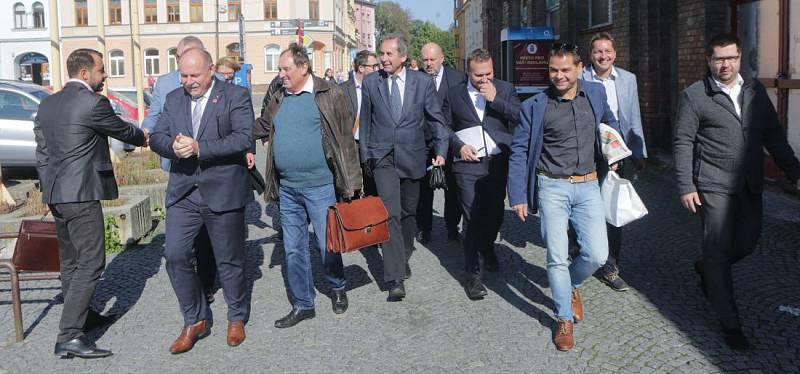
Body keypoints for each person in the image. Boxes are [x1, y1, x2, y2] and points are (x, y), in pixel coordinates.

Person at [673, 33, 800, 350]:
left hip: (749, 184)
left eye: (730, 57)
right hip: (713, 185)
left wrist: (794, 171)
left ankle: (707, 268)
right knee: (718, 250)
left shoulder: (755, 91)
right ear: (708, 60)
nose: (725, 64)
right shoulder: (695, 95)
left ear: (740, 58)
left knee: (746, 243)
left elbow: (773, 136)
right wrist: (687, 185)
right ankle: (730, 323)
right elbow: (683, 141)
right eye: (718, 58)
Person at [34, 48, 146, 359]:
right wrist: (145, 137)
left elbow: (41, 153)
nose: (105, 75)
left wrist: (48, 190)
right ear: (85, 74)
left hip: (57, 194)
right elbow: (122, 130)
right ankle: (69, 335)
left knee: (71, 262)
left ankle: (82, 316)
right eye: (101, 70)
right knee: (92, 262)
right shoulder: (93, 102)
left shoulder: (48, 103)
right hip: (81, 194)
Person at [507, 43, 620, 351]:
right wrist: (517, 194)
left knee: (597, 254)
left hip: (588, 185)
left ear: (579, 68)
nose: (558, 76)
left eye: (565, 70)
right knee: (556, 257)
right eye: (553, 70)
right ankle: (563, 317)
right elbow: (518, 151)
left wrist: (616, 150)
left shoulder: (595, 95)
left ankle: (570, 286)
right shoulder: (535, 106)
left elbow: (610, 124)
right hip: (551, 187)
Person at [149, 48, 254, 354]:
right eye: (183, 75)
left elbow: (242, 137)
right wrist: (171, 145)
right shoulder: (173, 99)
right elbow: (156, 136)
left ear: (211, 70)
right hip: (184, 192)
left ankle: (236, 316)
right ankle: (195, 318)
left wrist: (200, 148)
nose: (189, 81)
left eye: (195, 75)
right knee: (176, 254)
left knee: (229, 259)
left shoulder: (235, 96)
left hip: (222, 189)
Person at [253, 43, 362, 328]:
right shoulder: (278, 96)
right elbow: (262, 125)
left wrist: (353, 182)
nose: (280, 74)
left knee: (328, 246)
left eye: (285, 69)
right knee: (293, 248)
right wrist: (228, 132)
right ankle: (303, 304)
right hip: (287, 188)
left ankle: (337, 286)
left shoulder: (329, 94)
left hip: (321, 186)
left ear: (303, 67)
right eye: (279, 69)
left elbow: (346, 138)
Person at [359, 34, 450, 301]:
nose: (384, 59)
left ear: (402, 57)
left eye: (389, 54)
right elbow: (365, 121)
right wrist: (366, 156)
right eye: (382, 54)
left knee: (409, 212)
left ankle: (404, 252)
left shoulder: (422, 83)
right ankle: (395, 278)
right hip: (382, 156)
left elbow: (436, 119)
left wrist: (441, 151)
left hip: (413, 156)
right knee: (390, 213)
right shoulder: (372, 82)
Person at [444, 48, 519, 299]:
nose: (484, 79)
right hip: (467, 165)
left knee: (495, 214)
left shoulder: (505, 89)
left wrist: (496, 99)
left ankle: (487, 248)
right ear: (468, 72)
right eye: (478, 76)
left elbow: (520, 117)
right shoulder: (454, 94)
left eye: (488, 73)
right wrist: (458, 146)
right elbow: (443, 126)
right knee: (472, 218)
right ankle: (473, 275)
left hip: (497, 163)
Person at [581, 32, 647, 292]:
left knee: (613, 210)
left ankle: (610, 267)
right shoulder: (580, 77)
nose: (603, 56)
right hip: (587, 153)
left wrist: (640, 152)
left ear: (615, 54)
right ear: (590, 55)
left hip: (620, 152)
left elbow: (633, 117)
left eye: (607, 51)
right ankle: (583, 252)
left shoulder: (628, 79)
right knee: (585, 208)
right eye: (598, 51)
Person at [416, 42, 466, 244]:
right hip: (424, 142)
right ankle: (424, 227)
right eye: (425, 60)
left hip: (451, 141)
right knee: (423, 189)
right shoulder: (415, 78)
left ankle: (452, 225)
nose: (428, 64)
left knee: (452, 188)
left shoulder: (458, 78)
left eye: (432, 59)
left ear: (442, 58)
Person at [341, 50, 380, 195]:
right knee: (351, 188)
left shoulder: (380, 87)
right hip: (351, 144)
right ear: (361, 68)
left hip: (372, 144)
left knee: (372, 185)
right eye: (374, 66)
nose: (377, 69)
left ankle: (372, 215)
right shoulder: (342, 90)